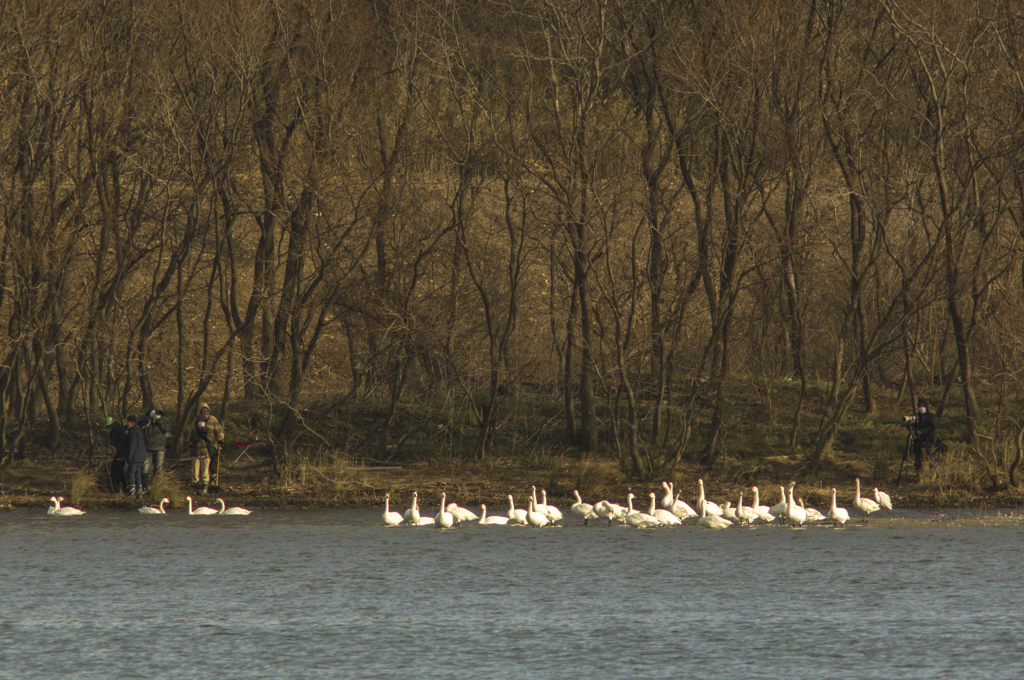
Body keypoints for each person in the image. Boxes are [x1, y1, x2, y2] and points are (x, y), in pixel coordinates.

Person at [188, 403, 224, 495]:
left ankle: (213, 479)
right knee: (199, 467)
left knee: (213, 462)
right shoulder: (196, 420)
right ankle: (198, 486)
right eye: (203, 411)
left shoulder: (213, 419)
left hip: (211, 445)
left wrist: (220, 440)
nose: (205, 412)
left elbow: (219, 430)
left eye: (206, 411)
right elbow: (191, 432)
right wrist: (191, 442)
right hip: (199, 447)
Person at [138, 402, 172, 488]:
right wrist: (149, 417)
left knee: (158, 469)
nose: (156, 413)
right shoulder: (145, 419)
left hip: (160, 448)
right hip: (147, 448)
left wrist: (158, 419)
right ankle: (145, 486)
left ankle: (158, 487)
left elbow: (166, 428)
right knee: (145, 469)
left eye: (157, 412)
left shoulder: (164, 420)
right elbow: (139, 425)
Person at [910, 397, 938, 478]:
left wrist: (921, 431)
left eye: (923, 406)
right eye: (919, 406)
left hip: (929, 440)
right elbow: (913, 427)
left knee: (930, 458)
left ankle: (933, 475)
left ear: (926, 407)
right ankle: (919, 475)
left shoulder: (931, 416)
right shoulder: (916, 416)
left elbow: (932, 427)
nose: (921, 408)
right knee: (917, 460)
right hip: (917, 441)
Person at [124, 415, 148, 498]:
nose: (126, 424)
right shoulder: (139, 431)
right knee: (138, 474)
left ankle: (131, 493)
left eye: (127, 422)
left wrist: (129, 457)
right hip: (141, 456)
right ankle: (139, 493)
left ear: (132, 423)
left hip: (135, 456)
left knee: (131, 474)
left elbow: (132, 445)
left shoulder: (133, 432)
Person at [105, 416, 129, 494]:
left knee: (119, 471)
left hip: (121, 454)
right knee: (114, 470)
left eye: (108, 426)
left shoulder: (118, 430)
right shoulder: (115, 430)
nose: (107, 428)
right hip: (117, 454)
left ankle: (121, 488)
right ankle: (117, 487)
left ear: (111, 425)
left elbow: (125, 440)